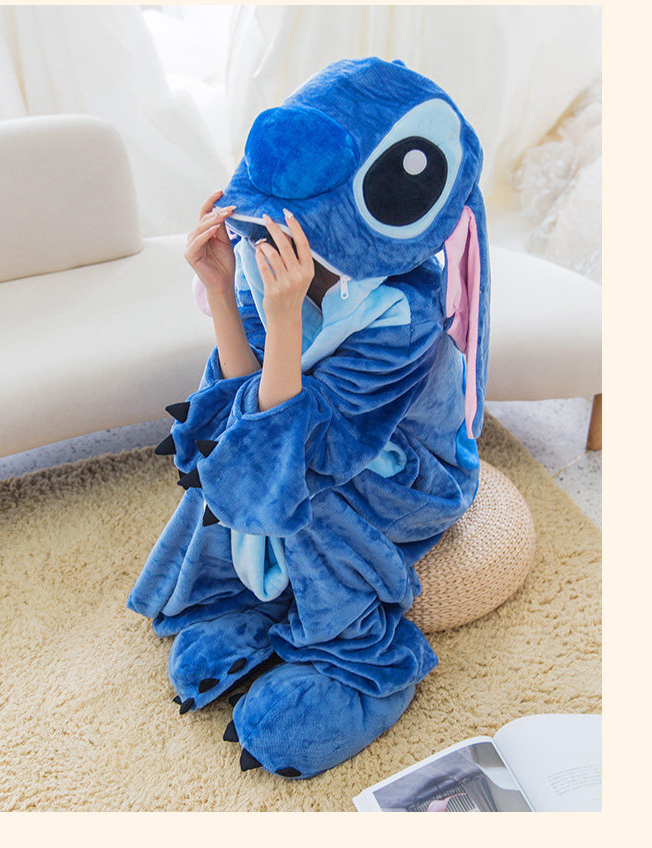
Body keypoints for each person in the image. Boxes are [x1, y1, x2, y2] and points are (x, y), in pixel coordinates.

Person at [127, 57, 491, 779]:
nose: (257, 239)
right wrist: (223, 292)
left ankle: (360, 661)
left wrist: (287, 319)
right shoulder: (270, 257)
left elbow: (306, 450)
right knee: (229, 456)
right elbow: (239, 415)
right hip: (308, 437)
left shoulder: (404, 318)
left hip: (406, 473)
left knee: (304, 494)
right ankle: (246, 601)